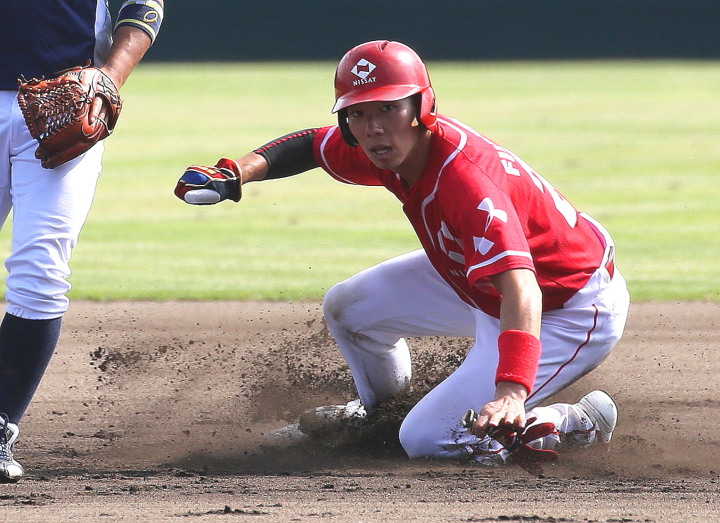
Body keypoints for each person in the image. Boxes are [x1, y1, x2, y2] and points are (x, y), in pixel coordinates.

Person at [174, 40, 630, 469]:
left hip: (565, 307)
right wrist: (235, 173)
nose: (373, 126)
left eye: (389, 108)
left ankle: (574, 422)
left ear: (422, 108)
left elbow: (522, 289)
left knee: (428, 439)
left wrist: (511, 391)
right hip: (479, 280)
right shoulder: (385, 146)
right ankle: (378, 415)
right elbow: (310, 146)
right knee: (349, 307)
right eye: (357, 113)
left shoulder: (468, 183)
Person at [0, 0, 165, 482]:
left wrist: (110, 77)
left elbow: (144, 4)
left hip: (60, 101)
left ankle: (1, 422)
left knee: (41, 271)